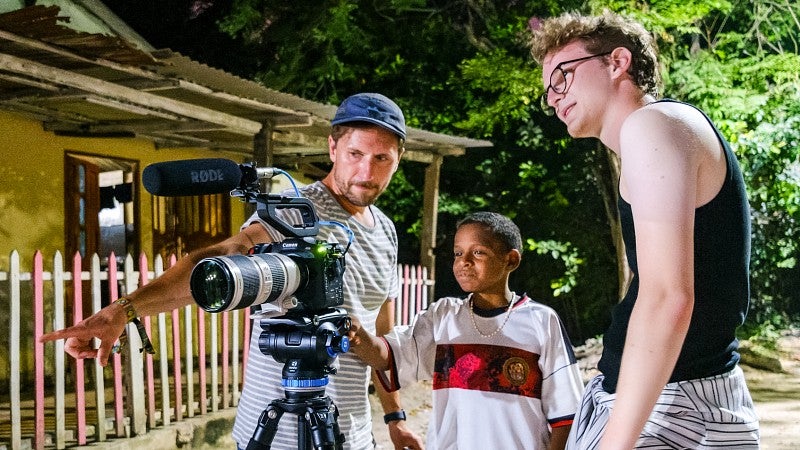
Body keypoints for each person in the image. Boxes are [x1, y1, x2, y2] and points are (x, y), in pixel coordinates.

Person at [40, 93, 425, 450]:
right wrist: (121, 311)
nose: (365, 171)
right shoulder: (297, 208)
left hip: (353, 433)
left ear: (398, 159)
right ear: (333, 147)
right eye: (355, 153)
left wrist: (394, 417)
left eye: (381, 159)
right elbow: (223, 256)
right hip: (274, 432)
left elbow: (383, 340)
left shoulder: (386, 230)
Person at [530, 11, 760, 450]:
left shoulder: (653, 124)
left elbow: (668, 296)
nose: (555, 98)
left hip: (677, 408)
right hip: (672, 400)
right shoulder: (656, 134)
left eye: (562, 77)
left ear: (617, 62)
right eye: (548, 92)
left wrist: (615, 442)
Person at [348, 211, 584, 450]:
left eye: (478, 252)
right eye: (458, 253)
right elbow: (386, 356)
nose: (464, 261)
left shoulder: (541, 322)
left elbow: (566, 416)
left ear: (510, 260)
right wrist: (356, 333)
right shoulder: (444, 317)